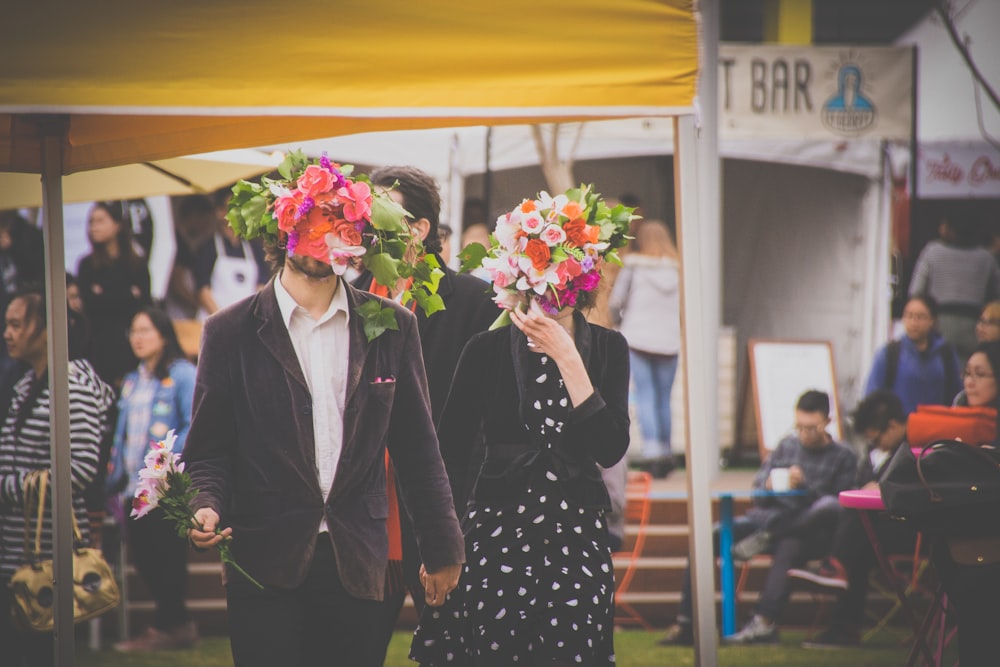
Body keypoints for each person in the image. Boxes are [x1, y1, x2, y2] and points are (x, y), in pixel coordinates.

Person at [183, 159, 464, 667]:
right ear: (286, 225)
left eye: (343, 222)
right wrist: (204, 505)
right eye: (316, 219)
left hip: (357, 560)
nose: (330, 234)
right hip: (263, 561)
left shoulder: (392, 327)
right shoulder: (229, 333)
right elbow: (209, 451)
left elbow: (419, 448)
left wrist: (443, 549)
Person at [410, 186, 632, 666]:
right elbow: (447, 454)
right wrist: (440, 544)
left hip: (577, 536)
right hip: (497, 533)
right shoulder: (485, 351)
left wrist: (569, 358)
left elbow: (610, 447)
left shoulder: (609, 349)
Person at [355, 165, 497, 665]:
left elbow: (488, 422)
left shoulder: (477, 304)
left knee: (455, 654)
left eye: (379, 213)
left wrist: (462, 517)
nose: (364, 223)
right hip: (358, 515)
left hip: (444, 511)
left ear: (418, 228)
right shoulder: (341, 297)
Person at [659, 390, 857, 646]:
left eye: (812, 428)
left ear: (828, 422)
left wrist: (805, 486)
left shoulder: (843, 456)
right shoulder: (787, 445)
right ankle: (687, 623)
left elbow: (838, 510)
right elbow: (757, 492)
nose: (805, 434)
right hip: (767, 519)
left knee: (818, 516)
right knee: (707, 537)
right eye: (800, 427)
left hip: (811, 531)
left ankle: (763, 623)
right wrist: (770, 483)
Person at [0, 288, 115, 667]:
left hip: (50, 557)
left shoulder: (72, 386)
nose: (8, 333)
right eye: (7, 324)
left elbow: (79, 470)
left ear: (48, 329)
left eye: (17, 324)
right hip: (17, 551)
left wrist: (9, 487)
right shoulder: (25, 386)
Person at [787, 390, 918, 648]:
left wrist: (883, 491)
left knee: (854, 529)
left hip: (908, 531)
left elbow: (920, 493)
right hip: (872, 532)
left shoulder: (917, 451)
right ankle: (843, 629)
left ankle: (834, 567)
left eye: (876, 438)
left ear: (893, 426)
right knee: (855, 546)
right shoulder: (873, 451)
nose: (874, 444)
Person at [106, 307, 198, 651]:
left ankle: (172, 624)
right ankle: (175, 623)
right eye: (133, 331)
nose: (138, 337)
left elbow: (193, 422)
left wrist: (167, 466)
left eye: (145, 330)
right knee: (144, 555)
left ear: (163, 334)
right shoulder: (131, 380)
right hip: (132, 487)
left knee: (166, 555)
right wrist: (113, 479)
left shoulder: (183, 374)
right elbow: (122, 435)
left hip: (165, 486)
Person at [926, 341, 1000, 667]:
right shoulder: (957, 419)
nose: (970, 382)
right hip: (959, 538)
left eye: (980, 374)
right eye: (967, 373)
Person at [607, 219, 680, 478]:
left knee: (646, 395)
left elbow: (616, 300)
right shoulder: (678, 270)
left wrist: (618, 320)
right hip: (670, 341)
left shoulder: (633, 266)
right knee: (664, 398)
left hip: (637, 338)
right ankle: (667, 451)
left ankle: (652, 454)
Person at [76, 201, 152, 386]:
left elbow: (144, 306)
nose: (94, 227)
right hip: (98, 349)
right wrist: (127, 294)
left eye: (100, 221)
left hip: (129, 349)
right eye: (91, 222)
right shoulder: (87, 266)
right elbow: (89, 304)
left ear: (118, 225)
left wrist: (104, 295)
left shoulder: (136, 265)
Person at [909, 219, 1000, 363]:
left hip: (940, 325)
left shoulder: (932, 252)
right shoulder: (986, 258)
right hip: (974, 327)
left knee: (941, 371)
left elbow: (916, 291)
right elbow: (997, 297)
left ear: (951, 229)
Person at [863, 294, 962, 415]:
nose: (913, 322)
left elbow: (956, 395)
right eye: (909, 316)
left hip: (937, 427)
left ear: (932, 320)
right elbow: (872, 396)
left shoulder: (945, 354)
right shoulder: (889, 353)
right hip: (900, 428)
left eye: (920, 317)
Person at [193, 186, 270, 320]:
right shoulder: (207, 248)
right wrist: (223, 320)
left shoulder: (255, 250)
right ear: (220, 212)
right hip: (214, 322)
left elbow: (261, 288)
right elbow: (203, 291)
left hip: (245, 324)